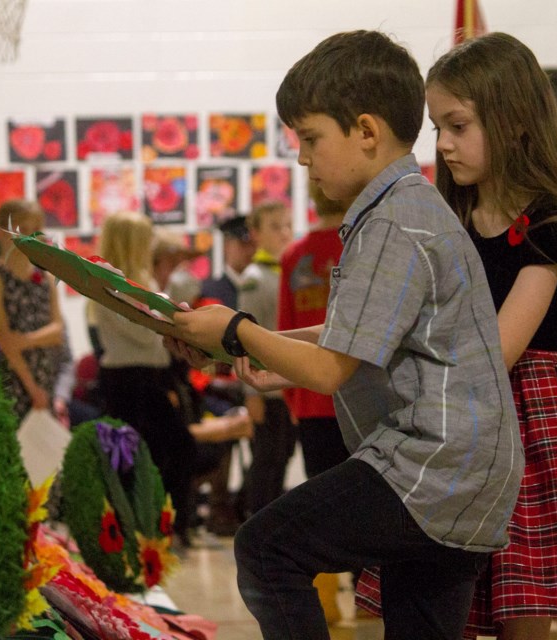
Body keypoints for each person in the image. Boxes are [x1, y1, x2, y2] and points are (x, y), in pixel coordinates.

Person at [160, 29, 523, 640]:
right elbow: (353, 332)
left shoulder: (394, 220)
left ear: (365, 131)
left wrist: (238, 328)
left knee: (266, 550)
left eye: (310, 138)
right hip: (466, 473)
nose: (302, 158)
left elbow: (332, 369)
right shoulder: (408, 206)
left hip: (433, 467)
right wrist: (245, 342)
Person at [357, 32, 557, 640]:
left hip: (523, 420)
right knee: (443, 600)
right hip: (455, 414)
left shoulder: (550, 222)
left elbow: (497, 349)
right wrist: (271, 345)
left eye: (458, 124)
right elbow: (382, 319)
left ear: (513, 120)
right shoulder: (446, 215)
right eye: (437, 128)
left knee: (521, 603)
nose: (445, 143)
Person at [91, 210, 197, 545]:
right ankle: (139, 527)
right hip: (126, 379)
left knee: (170, 450)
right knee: (133, 456)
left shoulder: (142, 280)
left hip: (149, 377)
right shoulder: (109, 282)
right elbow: (145, 333)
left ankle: (162, 524)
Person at [278, 181, 350, 479]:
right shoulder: (357, 246)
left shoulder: (293, 255)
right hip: (355, 394)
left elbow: (284, 330)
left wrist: (293, 397)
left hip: (309, 397)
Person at [0, 199, 72, 421]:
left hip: (46, 375)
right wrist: (33, 389)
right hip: (16, 379)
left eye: (36, 230)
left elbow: (57, 331)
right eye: (23, 230)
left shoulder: (45, 275)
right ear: (2, 233)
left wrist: (24, 340)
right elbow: (4, 339)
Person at [237, 201, 297, 518]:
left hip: (292, 383)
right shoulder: (254, 278)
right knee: (267, 457)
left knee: (284, 453)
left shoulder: (291, 270)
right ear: (256, 234)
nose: (285, 232)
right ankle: (255, 517)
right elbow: (245, 336)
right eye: (275, 227)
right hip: (266, 387)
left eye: (288, 225)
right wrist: (251, 392)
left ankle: (271, 518)